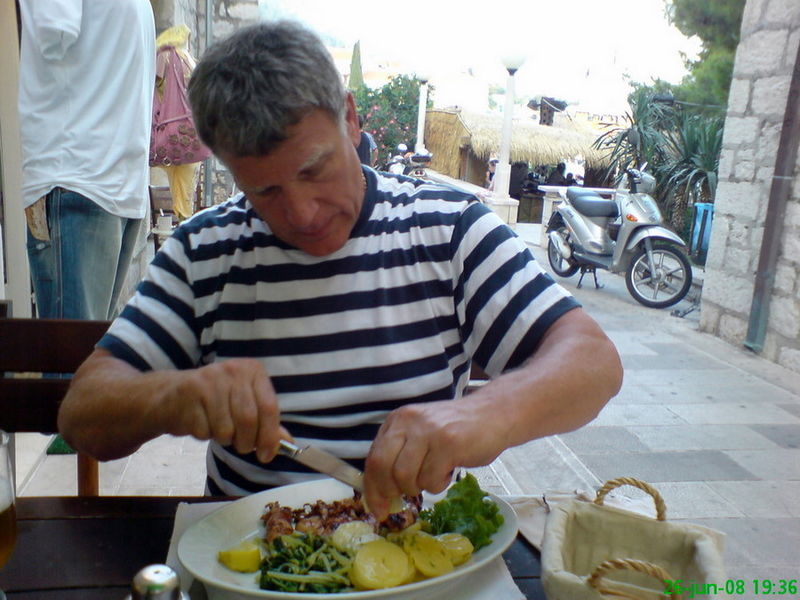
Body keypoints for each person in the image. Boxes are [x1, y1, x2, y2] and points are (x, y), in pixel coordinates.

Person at [59, 21, 622, 520]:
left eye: (315, 169)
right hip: (249, 562)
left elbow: (592, 362)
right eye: (265, 191)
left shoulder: (447, 228)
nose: (302, 214)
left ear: (350, 119)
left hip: (414, 554)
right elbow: (82, 415)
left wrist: (488, 414)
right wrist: (171, 396)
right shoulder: (204, 250)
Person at [18, 0, 156, 320]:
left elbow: (55, 36)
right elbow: (54, 34)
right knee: (78, 347)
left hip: (101, 179)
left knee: (85, 346)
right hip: (85, 177)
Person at [153, 24, 203, 221]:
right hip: (191, 131)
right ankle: (184, 221)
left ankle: (180, 222)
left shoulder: (163, 57)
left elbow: (154, 83)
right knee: (186, 189)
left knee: (177, 184)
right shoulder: (190, 61)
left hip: (167, 127)